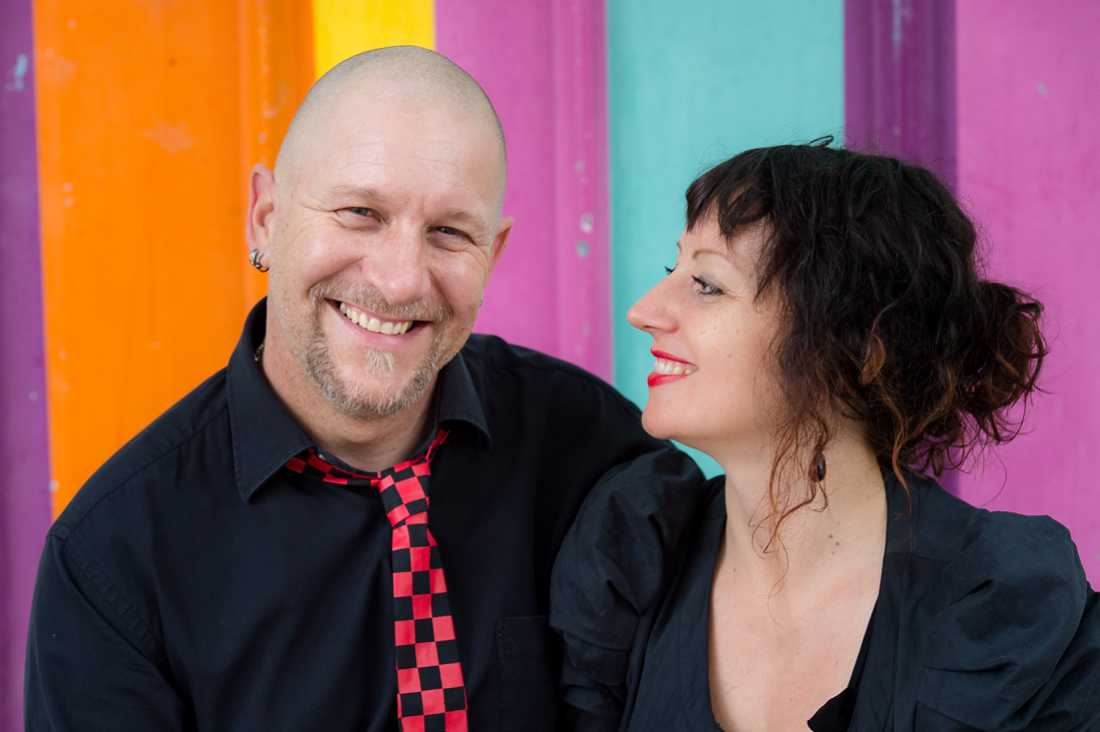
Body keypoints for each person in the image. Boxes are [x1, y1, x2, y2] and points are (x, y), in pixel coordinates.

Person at [24, 46, 701, 732]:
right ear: (266, 218)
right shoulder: (113, 557)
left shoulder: (592, 450)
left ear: (491, 256)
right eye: (359, 212)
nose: (401, 279)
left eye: (448, 232)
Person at [551, 141, 1100, 730]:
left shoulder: (1006, 614)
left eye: (707, 283)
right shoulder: (634, 561)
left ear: (858, 347)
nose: (644, 310)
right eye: (673, 270)